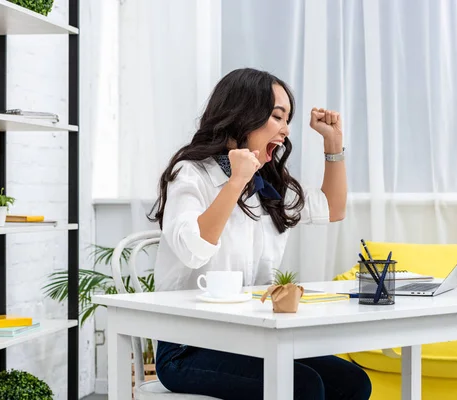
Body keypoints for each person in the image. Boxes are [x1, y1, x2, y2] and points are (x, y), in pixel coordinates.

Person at [148, 68, 372, 400]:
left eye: (287, 120)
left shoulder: (268, 183)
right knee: (303, 387)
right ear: (243, 115)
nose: (284, 130)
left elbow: (332, 208)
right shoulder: (191, 174)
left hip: (251, 336)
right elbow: (194, 250)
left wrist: (333, 142)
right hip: (187, 347)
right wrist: (235, 180)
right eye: (277, 117)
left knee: (353, 382)